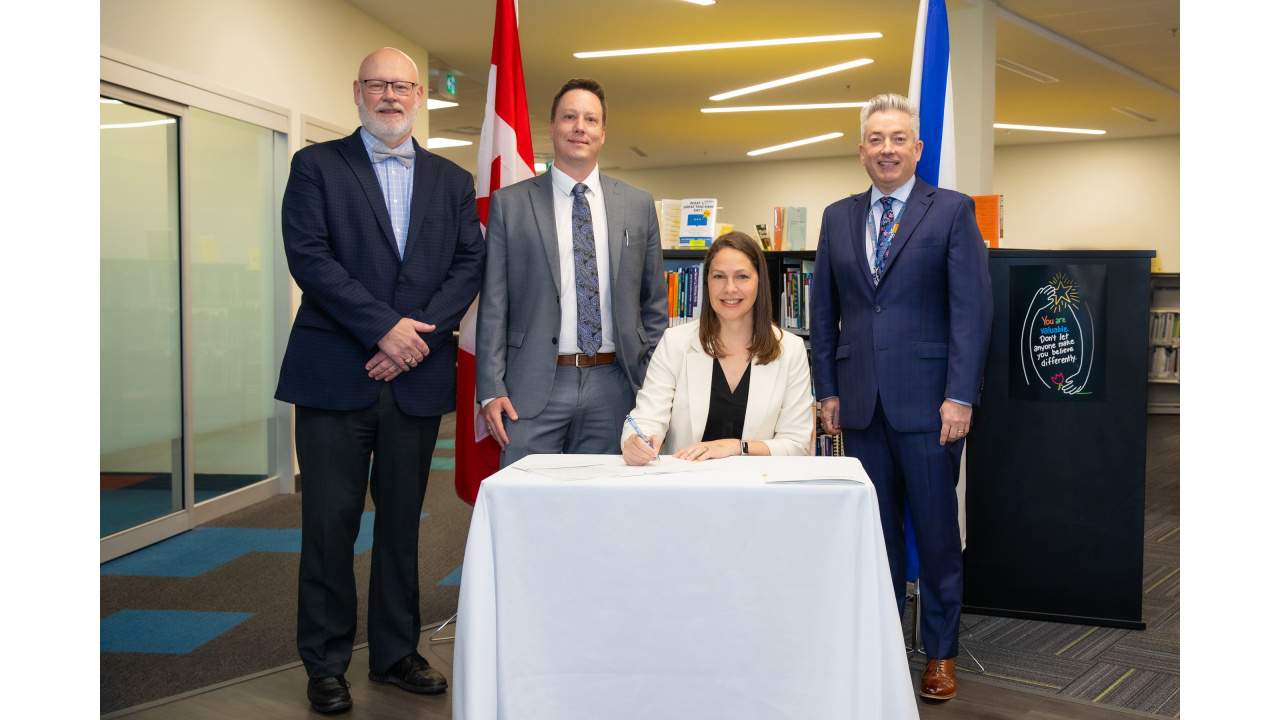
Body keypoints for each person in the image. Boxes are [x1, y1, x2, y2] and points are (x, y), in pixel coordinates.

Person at [275, 47, 485, 714]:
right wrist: (382, 329)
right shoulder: (315, 167)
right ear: (357, 91)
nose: (389, 94)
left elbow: (468, 265)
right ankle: (326, 663)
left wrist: (412, 340)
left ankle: (396, 653)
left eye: (400, 85)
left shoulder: (451, 181)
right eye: (377, 84)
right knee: (329, 526)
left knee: (402, 525)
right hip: (335, 377)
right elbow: (309, 257)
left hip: (415, 379)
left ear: (419, 94)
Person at [810, 93, 993, 701]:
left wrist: (960, 396)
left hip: (931, 407)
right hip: (859, 405)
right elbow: (824, 311)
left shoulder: (951, 212)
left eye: (898, 139)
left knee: (938, 535)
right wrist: (827, 390)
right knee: (876, 534)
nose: (886, 149)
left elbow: (972, 312)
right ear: (861, 149)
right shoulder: (837, 217)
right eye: (876, 139)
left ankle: (940, 654)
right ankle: (884, 646)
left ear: (918, 149)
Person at [476, 78, 668, 467]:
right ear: (552, 127)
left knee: (605, 508)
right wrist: (491, 387)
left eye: (590, 119)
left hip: (616, 385)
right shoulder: (510, 205)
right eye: (569, 117)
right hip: (531, 386)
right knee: (526, 504)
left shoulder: (637, 204)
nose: (580, 127)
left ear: (602, 132)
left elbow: (654, 306)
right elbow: (494, 304)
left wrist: (651, 382)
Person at [622, 231, 813, 463]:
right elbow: (647, 418)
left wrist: (735, 447)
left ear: (759, 282)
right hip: (686, 484)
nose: (730, 288)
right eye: (719, 276)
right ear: (707, 283)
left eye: (742, 277)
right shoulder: (675, 342)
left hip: (758, 487)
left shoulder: (790, 349)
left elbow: (796, 444)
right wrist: (636, 442)